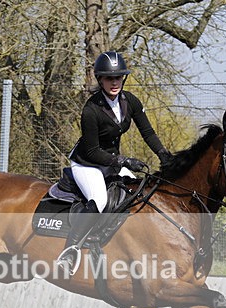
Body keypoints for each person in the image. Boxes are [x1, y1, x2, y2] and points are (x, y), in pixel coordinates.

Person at [55, 51, 172, 275]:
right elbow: (91, 150)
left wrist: (163, 154)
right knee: (98, 199)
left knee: (137, 193)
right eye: (110, 78)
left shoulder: (130, 101)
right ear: (101, 80)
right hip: (87, 163)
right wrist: (123, 160)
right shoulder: (91, 110)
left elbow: (147, 132)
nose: (115, 82)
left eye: (118, 77)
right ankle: (70, 250)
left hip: (111, 162)